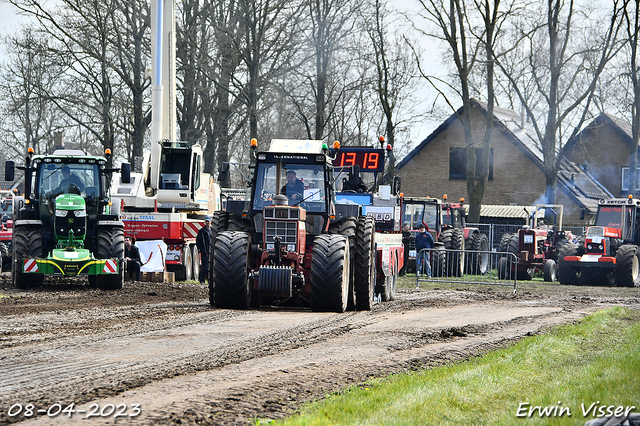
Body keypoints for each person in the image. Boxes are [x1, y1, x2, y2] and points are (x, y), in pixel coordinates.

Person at [196, 216, 211, 284]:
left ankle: (210, 280)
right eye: (206, 221)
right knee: (204, 266)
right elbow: (198, 241)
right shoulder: (202, 231)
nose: (207, 223)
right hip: (205, 252)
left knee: (211, 267)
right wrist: (202, 249)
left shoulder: (213, 231)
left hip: (211, 252)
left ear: (211, 222)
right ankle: (202, 280)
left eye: (208, 221)